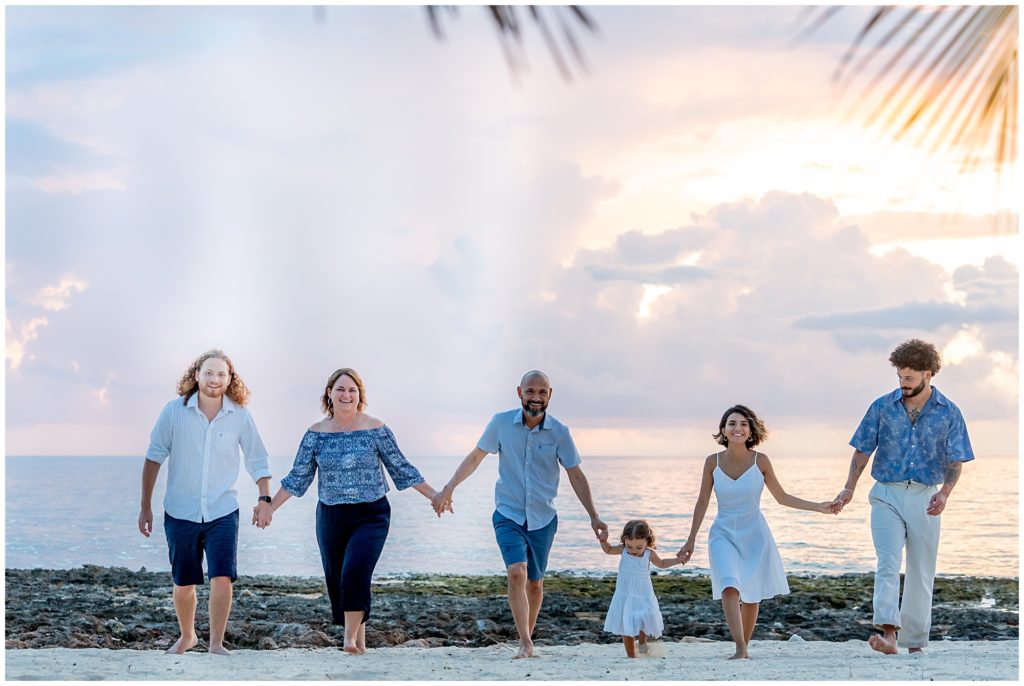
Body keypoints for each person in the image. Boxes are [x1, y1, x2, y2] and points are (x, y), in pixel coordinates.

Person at [265, 367, 448, 655]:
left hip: (371, 514)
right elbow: (298, 477)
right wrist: (270, 507)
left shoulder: (375, 428)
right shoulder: (315, 434)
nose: (346, 394)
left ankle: (348, 640)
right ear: (329, 393)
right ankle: (359, 643)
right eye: (340, 389)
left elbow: (401, 467)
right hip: (331, 516)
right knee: (338, 580)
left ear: (359, 395)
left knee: (355, 570)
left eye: (352, 390)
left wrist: (435, 495)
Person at [431, 370, 607, 659]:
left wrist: (594, 516)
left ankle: (528, 636)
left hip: (543, 518)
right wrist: (449, 488)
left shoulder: (560, 432)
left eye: (541, 392)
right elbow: (475, 457)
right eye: (530, 392)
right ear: (519, 392)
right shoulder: (500, 423)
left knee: (535, 583)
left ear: (550, 395)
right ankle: (525, 642)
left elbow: (575, 474)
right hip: (508, 513)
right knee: (516, 573)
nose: (535, 398)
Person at [831, 339, 974, 655]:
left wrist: (945, 494)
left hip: (925, 495)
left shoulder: (949, 412)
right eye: (899, 377)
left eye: (909, 378)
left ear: (928, 373)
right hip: (886, 494)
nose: (903, 383)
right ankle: (889, 634)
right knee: (887, 561)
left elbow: (956, 460)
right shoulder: (882, 406)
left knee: (922, 569)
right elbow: (862, 450)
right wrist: (849, 487)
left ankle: (914, 643)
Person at [138, 349, 273, 656]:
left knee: (222, 577)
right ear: (196, 374)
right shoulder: (174, 411)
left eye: (221, 374)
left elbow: (258, 460)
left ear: (230, 379)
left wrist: (264, 499)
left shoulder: (240, 415)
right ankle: (188, 636)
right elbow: (154, 457)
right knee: (184, 582)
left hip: (222, 511)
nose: (214, 379)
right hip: (180, 511)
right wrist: (145, 506)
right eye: (209, 372)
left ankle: (215, 643)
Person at [678, 405, 839, 660]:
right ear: (723, 430)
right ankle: (739, 648)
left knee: (752, 595)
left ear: (750, 430)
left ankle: (745, 647)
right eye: (732, 423)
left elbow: (782, 497)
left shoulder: (760, 460)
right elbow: (702, 502)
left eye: (743, 424)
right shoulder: (712, 462)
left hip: (754, 534)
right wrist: (690, 540)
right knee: (729, 587)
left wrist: (819, 507)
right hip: (722, 533)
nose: (737, 428)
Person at [598, 519, 683, 657]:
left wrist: (677, 560)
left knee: (644, 619)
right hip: (626, 595)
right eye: (630, 546)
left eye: (639, 547)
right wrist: (603, 541)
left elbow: (661, 563)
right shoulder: (623, 550)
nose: (633, 551)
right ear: (624, 540)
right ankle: (631, 655)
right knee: (627, 623)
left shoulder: (649, 554)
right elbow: (608, 550)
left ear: (647, 541)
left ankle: (642, 642)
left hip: (643, 593)